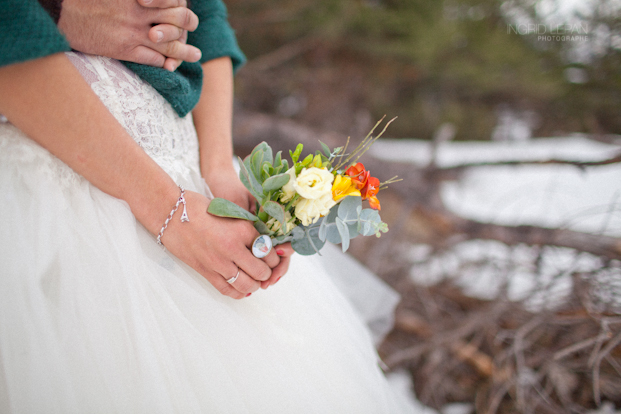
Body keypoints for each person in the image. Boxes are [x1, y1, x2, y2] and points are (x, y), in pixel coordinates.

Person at [0, 1, 413, 412]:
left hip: (191, 176)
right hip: (54, 187)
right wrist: (59, 14)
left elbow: (206, 15)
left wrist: (217, 170)